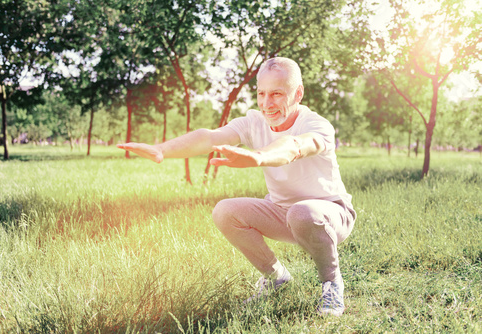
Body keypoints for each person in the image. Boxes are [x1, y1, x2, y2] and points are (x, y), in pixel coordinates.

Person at [117, 57, 356, 316]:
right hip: (281, 212)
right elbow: (209, 137)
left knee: (302, 212)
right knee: (225, 211)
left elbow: (295, 147)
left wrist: (259, 156)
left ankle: (332, 283)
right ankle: (276, 277)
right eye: (261, 93)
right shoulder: (254, 122)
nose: (267, 103)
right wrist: (161, 149)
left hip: (330, 215)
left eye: (277, 94)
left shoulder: (316, 125)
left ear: (298, 93)